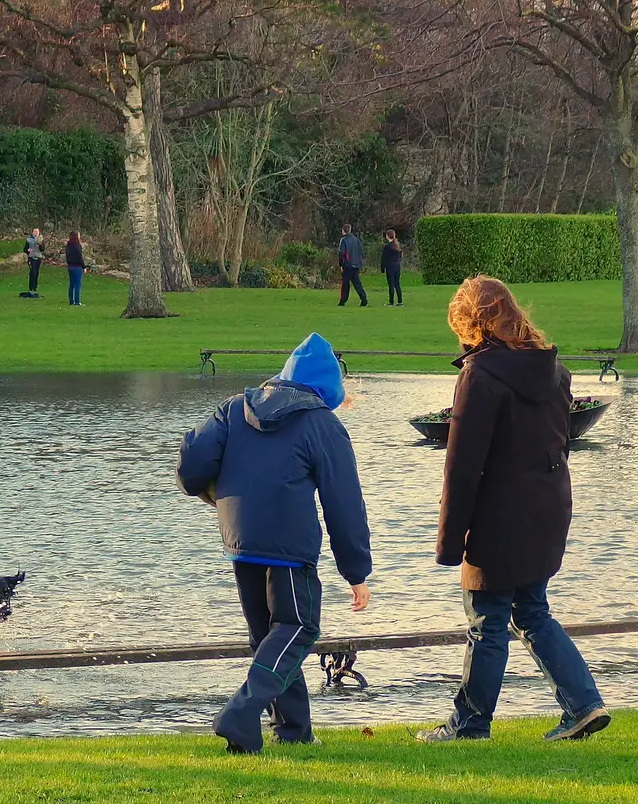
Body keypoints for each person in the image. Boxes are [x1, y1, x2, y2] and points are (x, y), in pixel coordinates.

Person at [417, 276, 610, 744]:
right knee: (531, 609)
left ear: (470, 324)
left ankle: (469, 725)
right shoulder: (554, 370)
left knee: (487, 620)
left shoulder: (480, 376)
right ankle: (583, 704)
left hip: (500, 516)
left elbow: (462, 467)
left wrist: (448, 543)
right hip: (547, 507)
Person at [177, 333, 372, 753]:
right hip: (288, 545)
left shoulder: (235, 408)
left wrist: (208, 492)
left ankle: (293, 733)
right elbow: (345, 503)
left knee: (271, 635)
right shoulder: (323, 424)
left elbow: (191, 463)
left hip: (239, 540)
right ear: (328, 388)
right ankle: (240, 712)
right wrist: (356, 571)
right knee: (297, 627)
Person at [336, 223, 367, 307]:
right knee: (357, 283)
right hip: (356, 265)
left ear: (343, 230)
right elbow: (360, 252)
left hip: (347, 265)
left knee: (345, 284)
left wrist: (341, 264)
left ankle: (343, 301)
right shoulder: (356, 240)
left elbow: (341, 253)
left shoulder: (344, 240)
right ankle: (363, 298)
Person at [381, 228, 403, 306]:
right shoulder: (397, 246)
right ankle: (400, 301)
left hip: (390, 267)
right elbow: (400, 256)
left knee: (391, 284)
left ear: (387, 236)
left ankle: (391, 301)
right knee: (397, 284)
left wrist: (382, 268)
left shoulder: (387, 247)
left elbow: (384, 258)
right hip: (397, 266)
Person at [23, 227, 46, 296]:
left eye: (37, 232)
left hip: (39, 257)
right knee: (32, 272)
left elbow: (43, 250)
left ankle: (35, 287)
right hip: (31, 257)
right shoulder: (29, 240)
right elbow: (25, 249)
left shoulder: (40, 239)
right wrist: (28, 250)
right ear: (32, 232)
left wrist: (41, 244)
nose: (36, 233)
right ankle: (31, 287)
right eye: (35, 232)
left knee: (36, 272)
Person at [65, 231, 85, 306]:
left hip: (70, 266)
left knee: (71, 285)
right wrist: (83, 266)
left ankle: (71, 301)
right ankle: (77, 301)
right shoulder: (77, 245)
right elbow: (80, 257)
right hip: (77, 267)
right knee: (77, 285)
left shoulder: (68, 245)